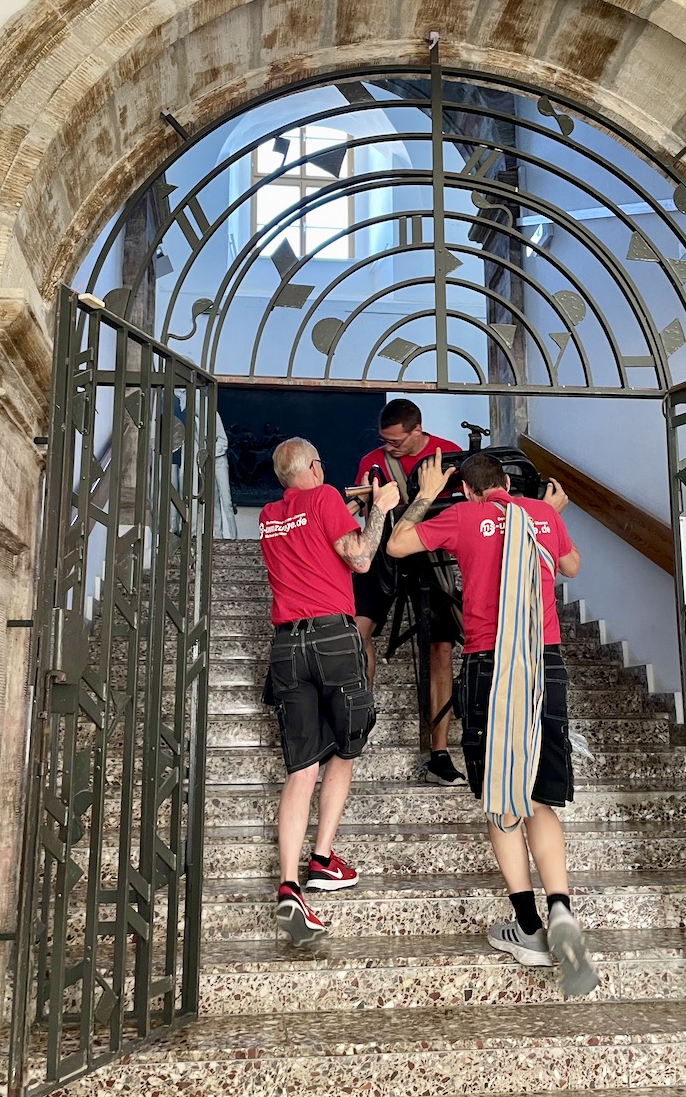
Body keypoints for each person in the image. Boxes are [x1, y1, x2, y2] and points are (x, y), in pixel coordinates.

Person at [387, 449, 598, 997]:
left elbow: (397, 545)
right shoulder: (541, 514)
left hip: (490, 665)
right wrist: (550, 515)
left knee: (505, 800)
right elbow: (572, 566)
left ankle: (527, 926)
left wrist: (426, 495)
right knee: (540, 800)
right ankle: (561, 908)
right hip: (545, 665)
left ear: (469, 489)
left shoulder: (462, 515)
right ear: (507, 481)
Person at [259, 436, 400, 946]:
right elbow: (359, 558)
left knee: (301, 767)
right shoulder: (323, 498)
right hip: (333, 639)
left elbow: (312, 541)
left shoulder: (269, 516)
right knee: (346, 746)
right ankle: (321, 858)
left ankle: (289, 885)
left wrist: (347, 511)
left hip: (286, 647)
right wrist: (379, 508)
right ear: (315, 467)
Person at [352, 398, 464, 786]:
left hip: (432, 552)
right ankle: (358, 716)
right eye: (384, 440)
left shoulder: (448, 453)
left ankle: (440, 750)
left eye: (396, 442)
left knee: (442, 646)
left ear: (418, 430)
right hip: (383, 553)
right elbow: (361, 512)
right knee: (356, 631)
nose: (389, 448)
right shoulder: (372, 461)